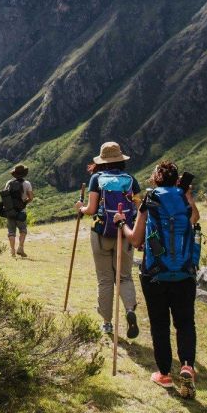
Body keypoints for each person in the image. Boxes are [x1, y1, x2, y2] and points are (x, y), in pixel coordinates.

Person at [114, 161, 200, 399]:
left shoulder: (150, 201)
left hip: (155, 274)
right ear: (176, 180)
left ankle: (164, 373)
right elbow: (194, 219)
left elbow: (135, 239)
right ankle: (186, 366)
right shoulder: (183, 199)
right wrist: (187, 193)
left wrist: (121, 223)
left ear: (156, 179)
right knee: (185, 323)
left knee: (160, 324)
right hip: (184, 273)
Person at [74, 142, 140, 338]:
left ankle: (107, 323)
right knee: (125, 277)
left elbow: (92, 210)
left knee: (105, 279)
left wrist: (81, 208)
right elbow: (137, 209)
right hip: (125, 233)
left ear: (102, 161)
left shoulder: (97, 179)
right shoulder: (131, 180)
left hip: (101, 233)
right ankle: (129, 310)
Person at [2, 164, 34, 258]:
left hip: (10, 211)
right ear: (24, 174)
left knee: (11, 231)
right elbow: (31, 197)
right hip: (21, 211)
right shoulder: (27, 184)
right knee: (23, 230)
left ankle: (12, 251)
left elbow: (5, 196)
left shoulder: (9, 183)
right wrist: (24, 203)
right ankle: (20, 247)